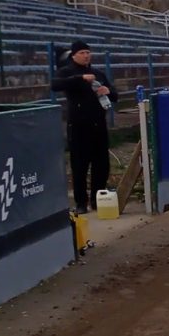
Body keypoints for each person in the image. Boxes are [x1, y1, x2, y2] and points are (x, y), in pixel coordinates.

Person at [51, 40, 117, 213]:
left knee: (101, 164)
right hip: (78, 125)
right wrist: (80, 79)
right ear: (74, 55)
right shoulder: (67, 72)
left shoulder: (98, 73)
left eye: (88, 52)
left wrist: (108, 91)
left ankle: (97, 198)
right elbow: (55, 85)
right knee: (79, 165)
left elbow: (114, 94)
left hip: (98, 125)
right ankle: (81, 202)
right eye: (82, 53)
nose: (86, 55)